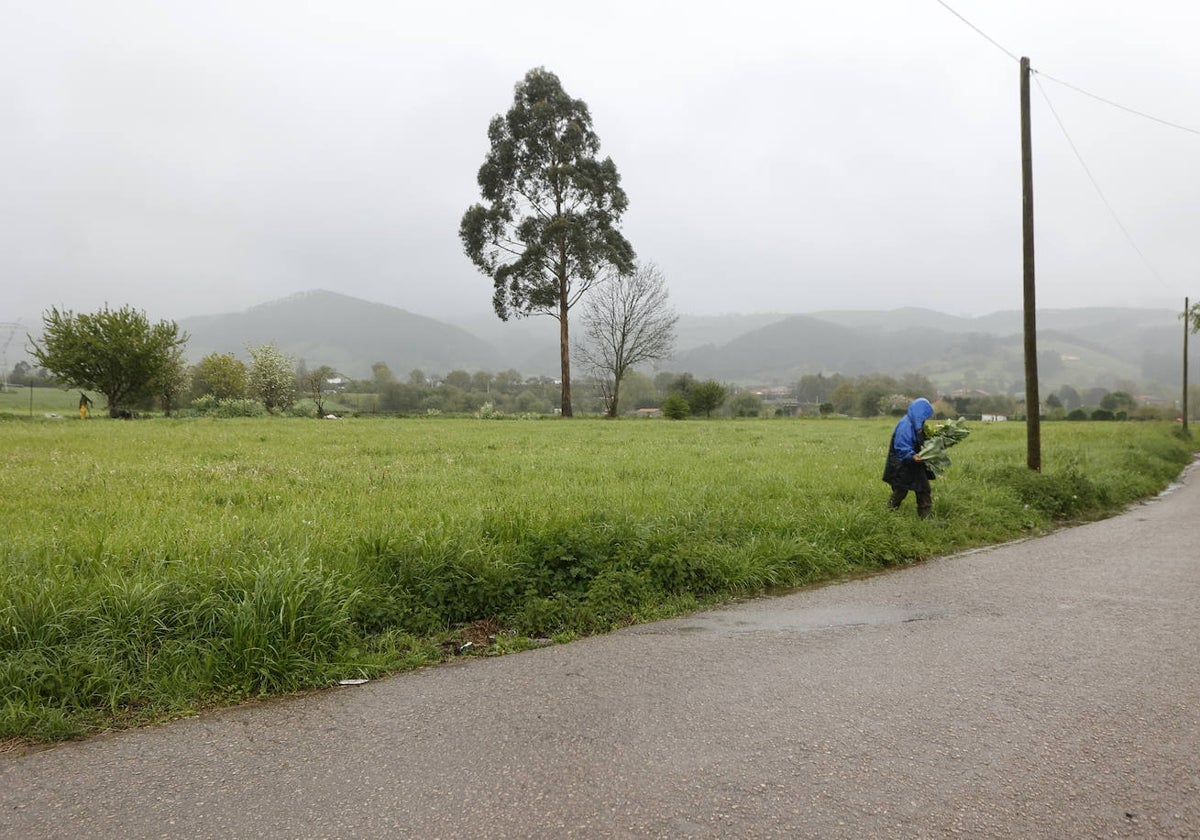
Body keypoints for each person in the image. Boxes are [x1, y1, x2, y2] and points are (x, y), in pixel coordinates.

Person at [883, 397, 935, 519]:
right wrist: (912, 456)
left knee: (921, 488)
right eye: (924, 415)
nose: (925, 419)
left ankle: (924, 517)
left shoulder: (915, 423)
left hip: (911, 463)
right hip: (904, 463)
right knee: (903, 489)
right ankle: (888, 513)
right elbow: (901, 445)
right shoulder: (906, 425)